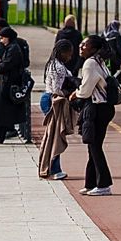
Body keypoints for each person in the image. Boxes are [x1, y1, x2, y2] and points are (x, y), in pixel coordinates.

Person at [72, 33, 116, 196]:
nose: (81, 47)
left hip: (97, 107)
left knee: (95, 146)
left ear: (94, 49)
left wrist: (75, 93)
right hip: (105, 107)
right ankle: (91, 183)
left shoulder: (90, 63)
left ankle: (104, 184)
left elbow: (85, 90)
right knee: (93, 147)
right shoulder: (99, 61)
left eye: (85, 45)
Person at [39, 37, 79, 181]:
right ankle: (54, 169)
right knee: (55, 136)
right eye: (69, 53)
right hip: (55, 101)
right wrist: (72, 93)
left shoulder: (52, 64)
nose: (70, 57)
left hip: (48, 98)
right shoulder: (59, 68)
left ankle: (52, 167)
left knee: (53, 135)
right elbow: (57, 89)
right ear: (62, 52)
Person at [0, 26, 31, 145]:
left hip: (8, 84)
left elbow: (4, 67)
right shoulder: (11, 48)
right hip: (6, 83)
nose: (1, 40)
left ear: (8, 38)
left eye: (3, 38)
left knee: (1, 111)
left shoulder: (13, 49)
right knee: (0, 111)